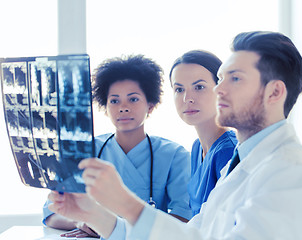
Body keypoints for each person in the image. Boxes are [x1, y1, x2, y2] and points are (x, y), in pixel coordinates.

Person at [48, 31, 302, 240]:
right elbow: (192, 234)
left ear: (274, 92)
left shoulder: (292, 171)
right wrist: (92, 214)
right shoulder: (240, 165)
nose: (219, 89)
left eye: (234, 79)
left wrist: (126, 204)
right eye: (221, 78)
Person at [43, 55, 192, 238]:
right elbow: (51, 212)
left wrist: (119, 228)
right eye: (114, 101)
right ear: (105, 107)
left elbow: (184, 218)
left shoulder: (174, 155)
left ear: (150, 106)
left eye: (133, 99)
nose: (123, 107)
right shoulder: (84, 151)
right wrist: (82, 221)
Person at [169, 50, 237, 216]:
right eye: (179, 89)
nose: (187, 98)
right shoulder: (198, 147)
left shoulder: (228, 152)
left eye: (199, 87)